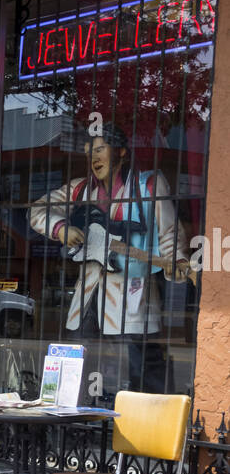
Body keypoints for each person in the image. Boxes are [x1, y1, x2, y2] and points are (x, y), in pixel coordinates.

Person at [29, 126, 191, 394]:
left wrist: (176, 261)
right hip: (88, 297)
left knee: (142, 369)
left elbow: (169, 232)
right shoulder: (80, 189)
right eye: (90, 151)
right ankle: (79, 424)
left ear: (122, 152)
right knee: (77, 368)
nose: (94, 157)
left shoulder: (148, 185)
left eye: (100, 149)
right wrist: (60, 228)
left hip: (132, 295)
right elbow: (37, 210)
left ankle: (146, 427)